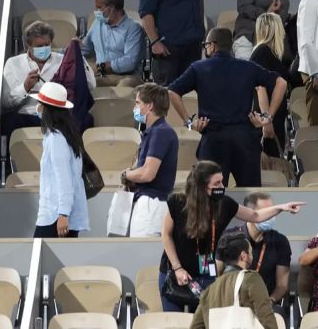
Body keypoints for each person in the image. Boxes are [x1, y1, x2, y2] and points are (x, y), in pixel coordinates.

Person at [160, 160, 304, 312]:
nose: (222, 187)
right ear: (201, 186)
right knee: (175, 322)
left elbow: (255, 215)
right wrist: (178, 268)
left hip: (204, 274)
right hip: (174, 272)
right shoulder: (177, 202)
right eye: (217, 184)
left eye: (222, 182)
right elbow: (166, 234)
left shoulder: (224, 204)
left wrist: (281, 207)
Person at [168, 27, 287, 187]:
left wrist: (189, 122)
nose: (205, 48)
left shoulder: (199, 68)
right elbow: (281, 83)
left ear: (213, 45)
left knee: (209, 198)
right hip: (245, 141)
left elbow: (172, 91)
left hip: (213, 140)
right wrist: (268, 117)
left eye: (206, 44)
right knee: (251, 197)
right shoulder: (248, 67)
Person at [1, 21, 96, 137]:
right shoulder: (13, 63)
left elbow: (91, 85)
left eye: (47, 45)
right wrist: (25, 87)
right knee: (8, 120)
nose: (44, 48)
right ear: (28, 46)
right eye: (39, 46)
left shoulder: (63, 60)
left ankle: (77, 155)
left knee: (86, 119)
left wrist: (78, 56)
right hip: (27, 115)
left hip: (58, 118)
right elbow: (6, 103)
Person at [31, 82, 89, 238]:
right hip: (57, 214)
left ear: (46, 108)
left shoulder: (56, 139)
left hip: (55, 216)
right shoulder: (65, 135)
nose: (37, 107)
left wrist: (63, 214)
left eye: (39, 104)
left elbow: (63, 178)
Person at [119, 83, 178, 237]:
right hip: (148, 203)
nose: (135, 107)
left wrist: (126, 175)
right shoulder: (155, 132)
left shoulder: (161, 133)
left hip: (152, 206)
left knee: (142, 256)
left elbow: (147, 173)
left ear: (150, 106)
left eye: (138, 103)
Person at [221, 192, 292, 312]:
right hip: (231, 303)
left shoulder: (280, 241)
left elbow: (282, 285)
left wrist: (269, 301)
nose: (271, 215)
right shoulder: (229, 237)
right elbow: (218, 274)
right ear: (250, 213)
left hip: (265, 303)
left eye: (272, 210)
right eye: (266, 210)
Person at [190, 232, 278, 329]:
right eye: (250, 251)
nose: (252, 255)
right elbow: (267, 318)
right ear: (243, 256)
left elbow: (195, 326)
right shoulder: (251, 279)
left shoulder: (209, 290)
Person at [82, 0, 144, 87]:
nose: (96, 11)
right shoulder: (97, 23)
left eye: (99, 7)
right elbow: (85, 49)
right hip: (101, 75)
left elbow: (130, 62)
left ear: (111, 7)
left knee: (125, 86)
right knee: (80, 83)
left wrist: (102, 66)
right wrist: (72, 48)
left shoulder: (133, 28)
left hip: (127, 76)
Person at [250, 13, 289, 159]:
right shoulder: (262, 52)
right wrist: (267, 120)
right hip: (265, 119)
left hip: (272, 118)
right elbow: (261, 89)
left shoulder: (268, 53)